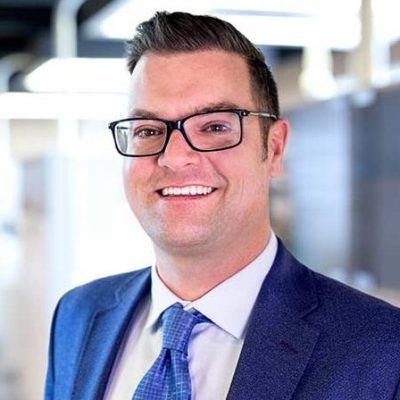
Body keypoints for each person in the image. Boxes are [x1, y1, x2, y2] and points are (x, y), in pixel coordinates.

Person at [45, 11, 400, 400]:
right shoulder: (77, 316)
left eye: (214, 127)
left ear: (274, 148)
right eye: (148, 130)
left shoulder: (382, 350)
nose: (174, 158)